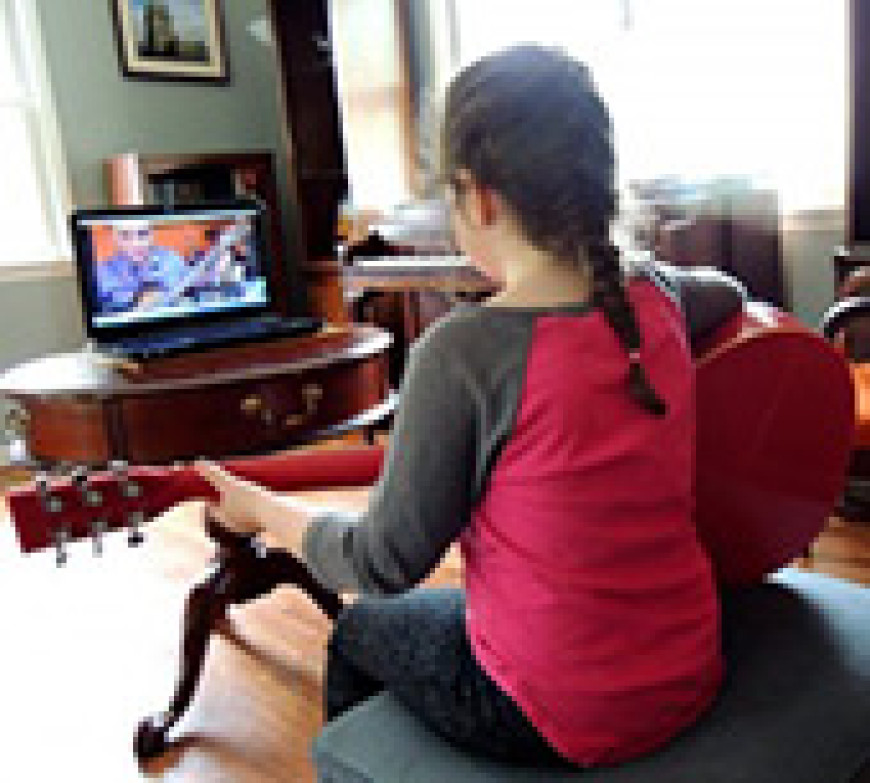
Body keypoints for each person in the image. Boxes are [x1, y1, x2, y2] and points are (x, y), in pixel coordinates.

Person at [195, 45, 723, 768]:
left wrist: (257, 510)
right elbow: (725, 294)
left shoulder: (465, 352)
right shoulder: (660, 296)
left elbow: (378, 562)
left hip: (554, 710)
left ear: (478, 197)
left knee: (357, 632)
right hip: (689, 662)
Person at [95, 221, 188, 315]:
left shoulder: (172, 261)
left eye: (142, 233)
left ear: (151, 234)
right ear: (115, 238)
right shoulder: (103, 274)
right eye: (125, 235)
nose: (136, 244)